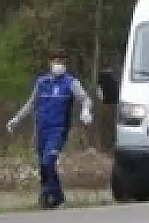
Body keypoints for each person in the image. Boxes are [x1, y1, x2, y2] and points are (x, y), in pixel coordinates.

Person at [7, 48, 93, 209]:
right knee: (43, 166)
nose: (58, 64)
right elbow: (31, 103)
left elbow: (85, 98)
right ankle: (47, 196)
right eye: (55, 61)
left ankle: (59, 198)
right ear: (50, 63)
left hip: (58, 129)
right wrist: (17, 119)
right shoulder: (42, 83)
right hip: (42, 130)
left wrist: (86, 109)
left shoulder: (70, 83)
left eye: (61, 62)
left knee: (49, 161)